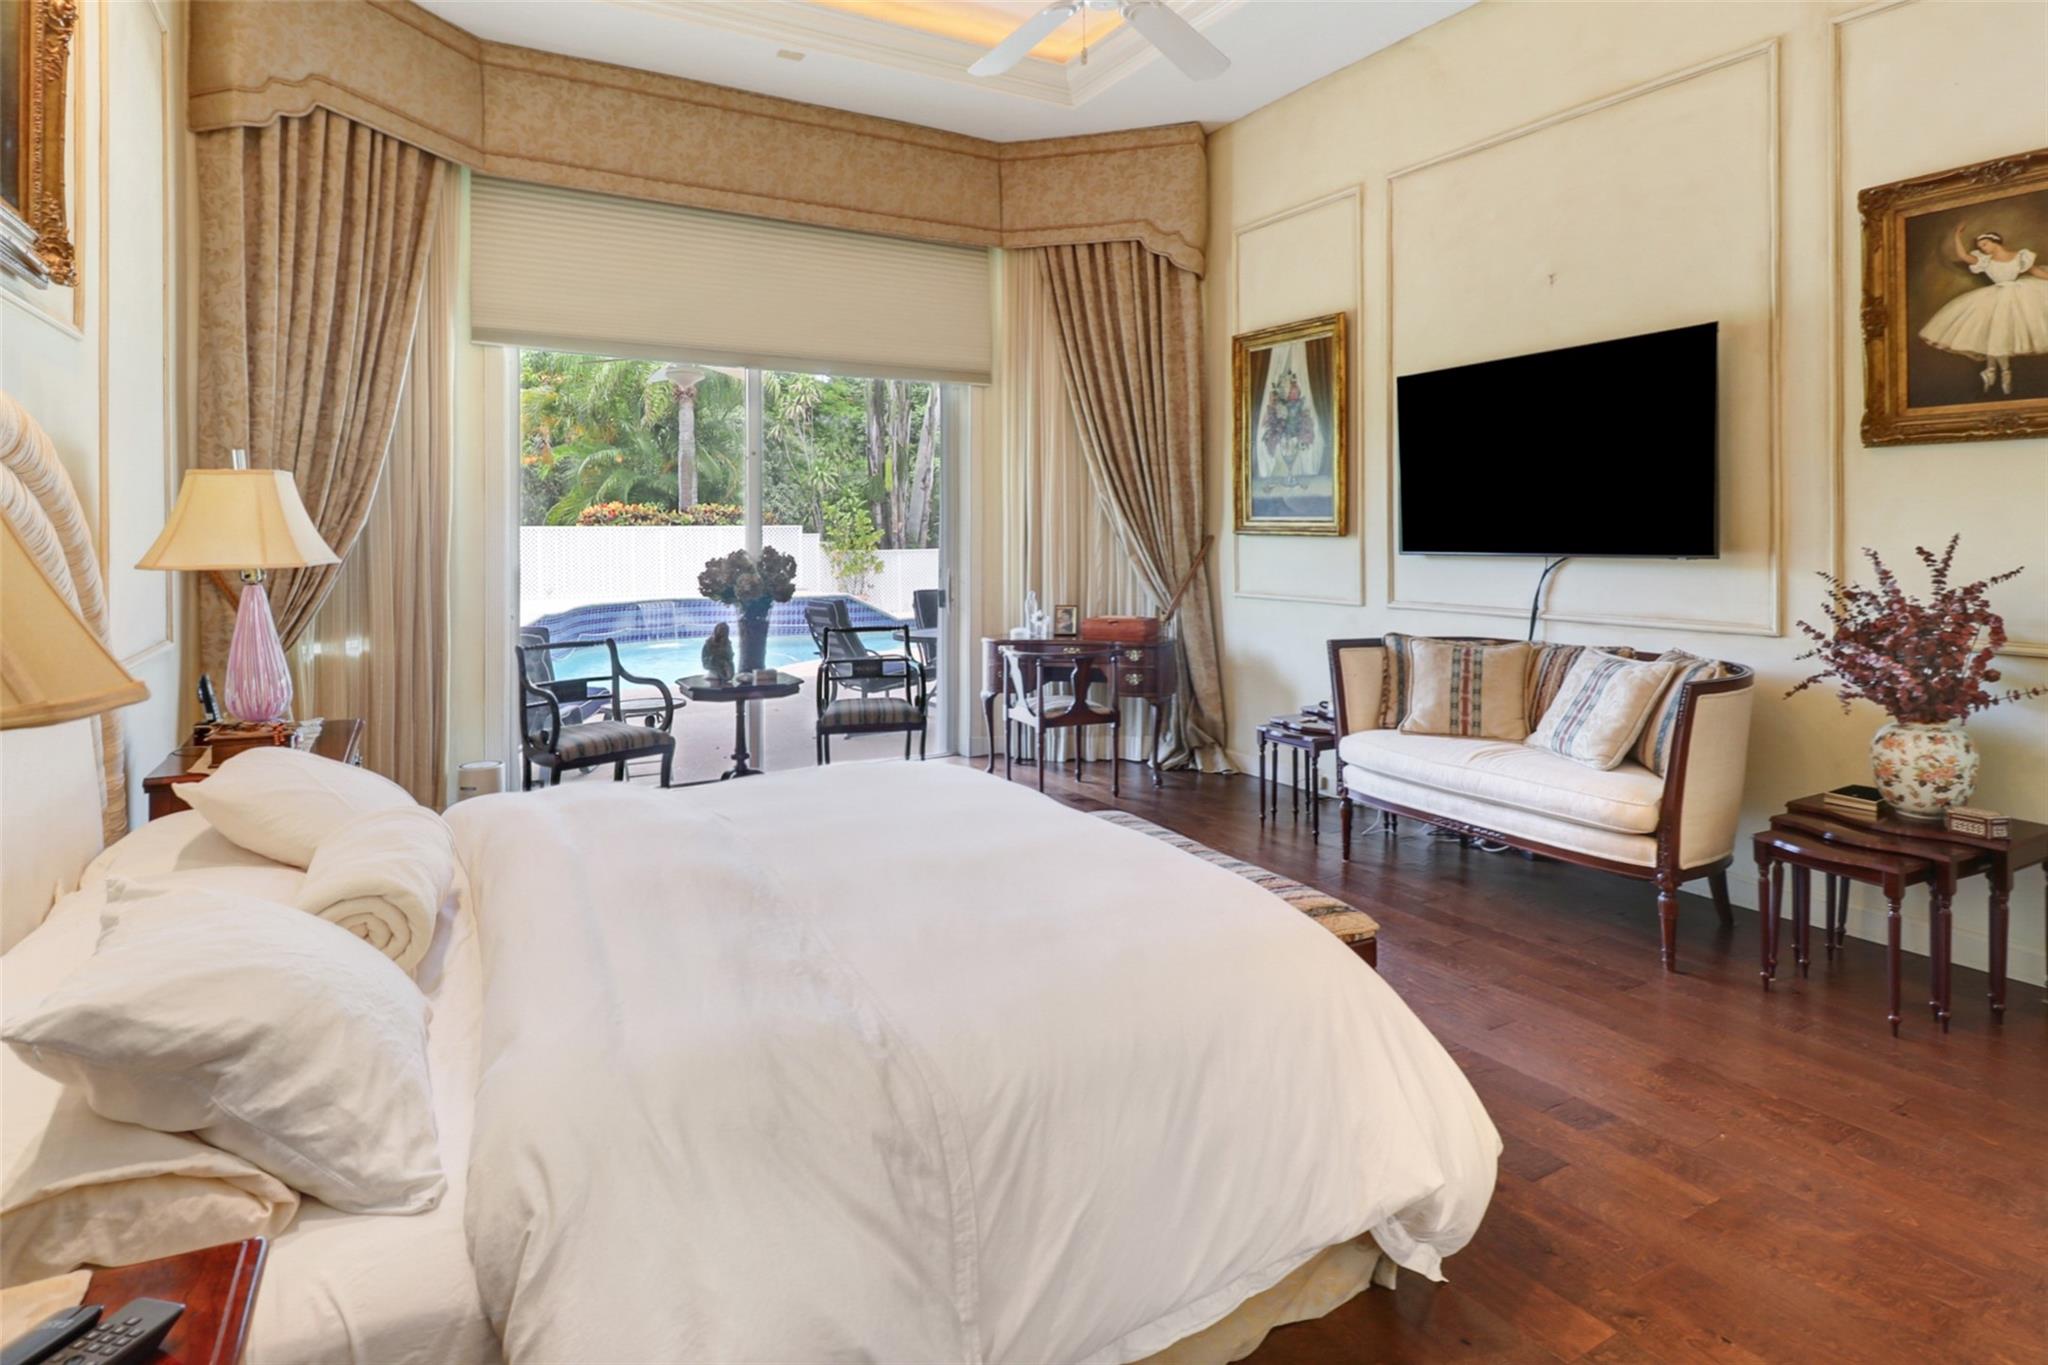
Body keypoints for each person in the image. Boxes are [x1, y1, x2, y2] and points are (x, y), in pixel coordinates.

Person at [1918, 225, 2048, 394]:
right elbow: (1963, 256)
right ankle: (2000, 371)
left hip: (2016, 295)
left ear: (1995, 242)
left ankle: (1994, 371)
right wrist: (1957, 235)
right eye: (1981, 247)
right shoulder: (1985, 261)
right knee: (1994, 332)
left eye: (1985, 244)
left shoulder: (2020, 256)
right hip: (1996, 296)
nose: (1983, 248)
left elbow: (2036, 271)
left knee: (2005, 333)